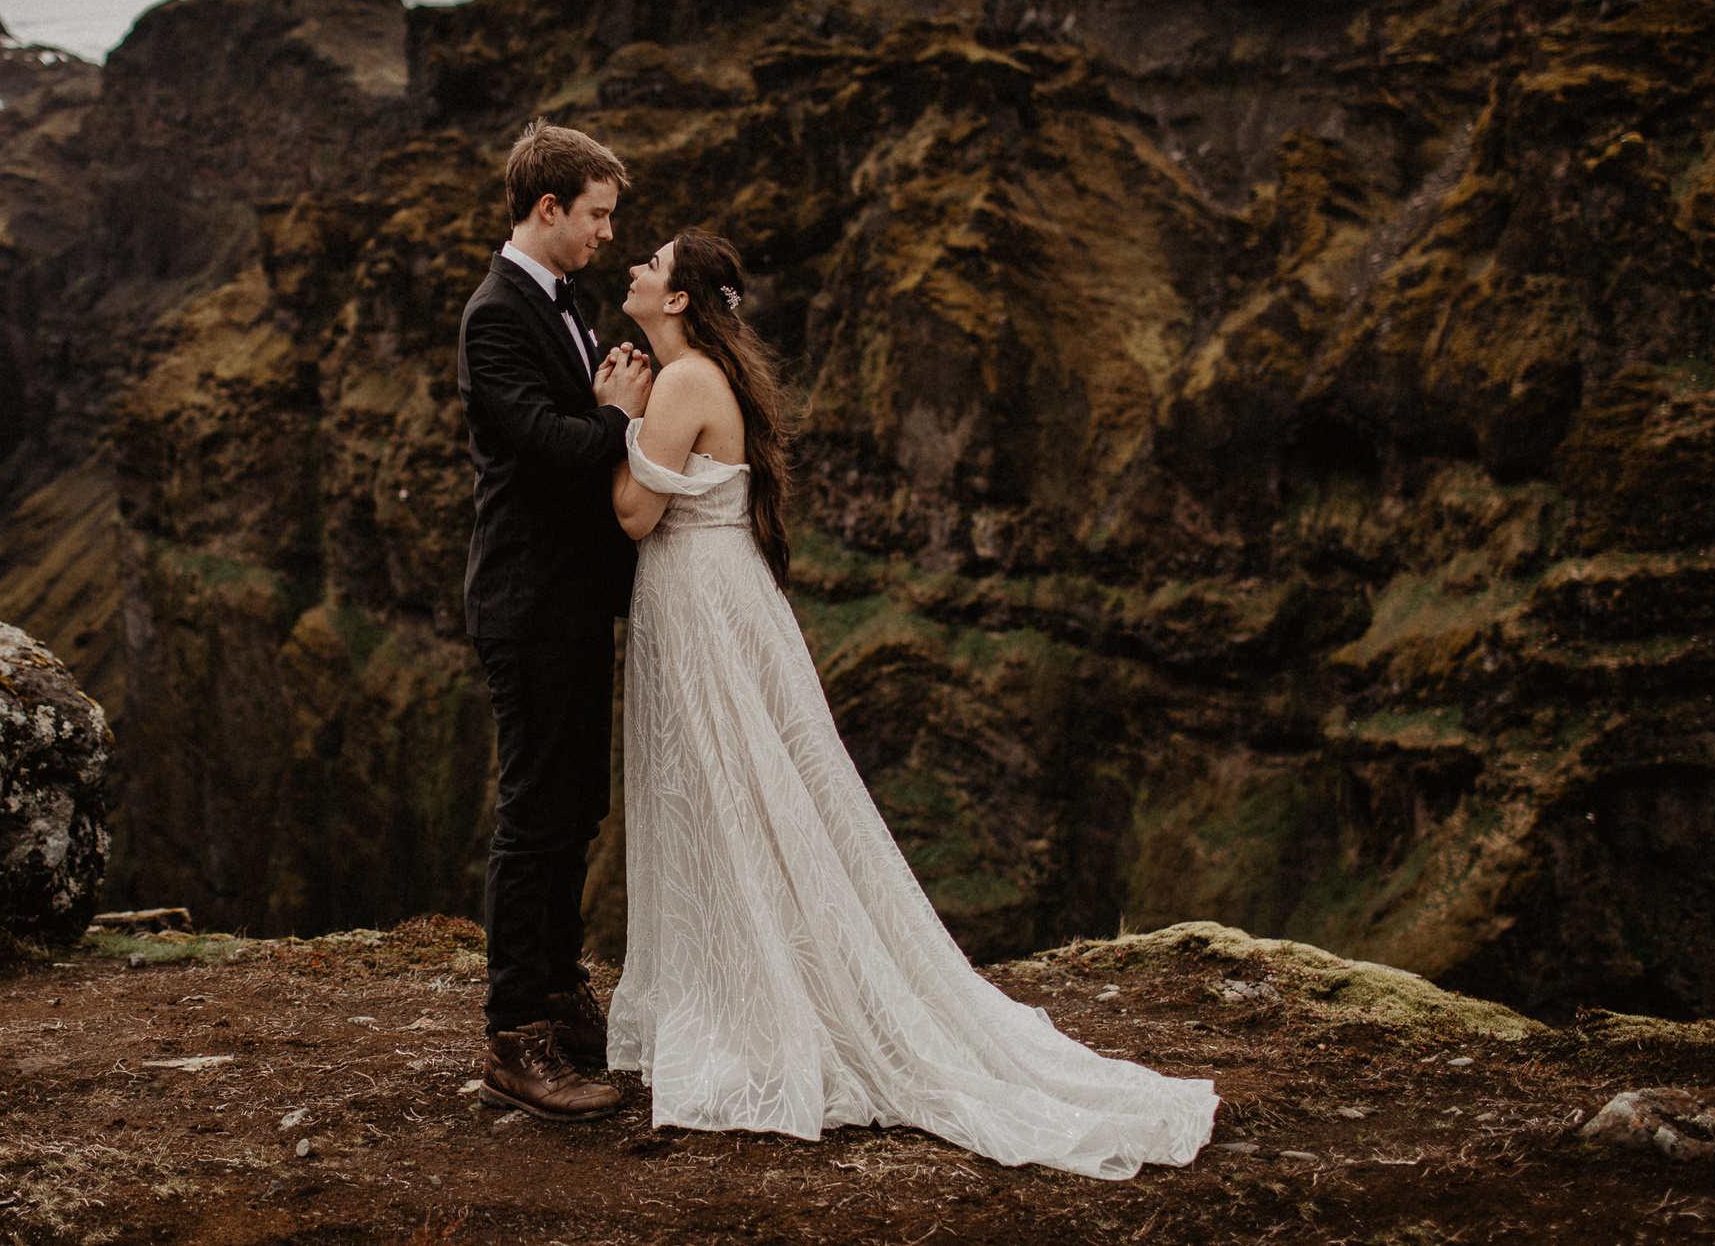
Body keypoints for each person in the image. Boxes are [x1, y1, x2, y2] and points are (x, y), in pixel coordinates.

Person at [603, 228, 1220, 1176]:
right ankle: (759, 979)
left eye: (653, 261)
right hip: (721, 599)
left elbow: (636, 514)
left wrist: (615, 415)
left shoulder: (681, 383)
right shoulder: (702, 378)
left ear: (680, 299)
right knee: (739, 794)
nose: (637, 267)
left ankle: (751, 1001)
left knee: (721, 793)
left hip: (700, 605)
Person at [457, 119, 653, 1122]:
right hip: (527, 604)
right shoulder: (496, 315)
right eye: (595, 216)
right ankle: (513, 1033)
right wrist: (617, 416)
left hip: (572, 601)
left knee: (575, 807)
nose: (603, 237)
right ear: (547, 208)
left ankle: (555, 992)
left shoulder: (562, 301)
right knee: (533, 815)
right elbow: (542, 443)